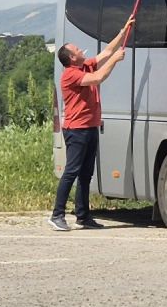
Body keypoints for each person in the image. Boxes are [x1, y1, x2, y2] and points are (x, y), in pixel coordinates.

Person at [50, 14, 135, 231]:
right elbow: (98, 78)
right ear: (71, 58)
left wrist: (124, 30)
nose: (80, 50)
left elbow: (106, 52)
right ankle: (57, 214)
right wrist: (116, 60)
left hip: (89, 127)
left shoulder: (84, 66)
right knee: (72, 171)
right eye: (76, 49)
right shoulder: (70, 74)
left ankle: (83, 216)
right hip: (76, 130)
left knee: (86, 173)